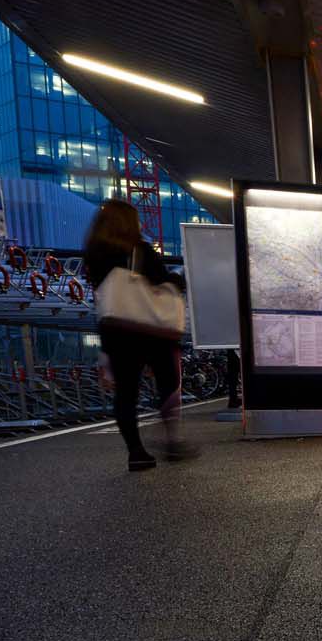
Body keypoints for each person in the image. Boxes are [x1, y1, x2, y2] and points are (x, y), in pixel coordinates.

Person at [83, 198, 196, 472]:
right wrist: (178, 279)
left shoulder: (95, 254)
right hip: (151, 331)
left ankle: (136, 452)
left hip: (116, 330)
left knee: (126, 393)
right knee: (168, 382)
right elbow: (162, 282)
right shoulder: (141, 250)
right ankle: (172, 439)